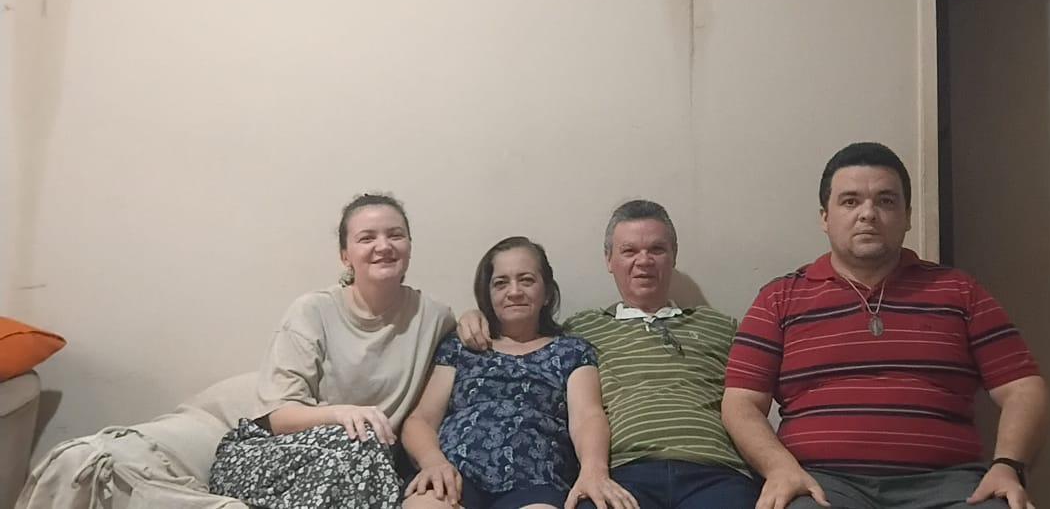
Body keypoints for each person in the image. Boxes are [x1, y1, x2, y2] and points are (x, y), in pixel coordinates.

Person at [722, 142, 1049, 509]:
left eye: (886, 201)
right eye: (850, 201)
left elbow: (1023, 388)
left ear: (907, 216)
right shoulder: (779, 298)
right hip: (821, 485)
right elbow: (740, 402)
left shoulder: (960, 291)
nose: (868, 214)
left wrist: (1008, 466)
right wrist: (780, 468)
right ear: (825, 218)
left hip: (950, 486)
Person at [459, 201, 759, 509]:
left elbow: (751, 404)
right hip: (623, 475)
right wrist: (475, 317)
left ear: (673, 255)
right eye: (629, 251)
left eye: (656, 249)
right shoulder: (580, 330)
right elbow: (526, 333)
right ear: (609, 260)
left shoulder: (720, 326)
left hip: (716, 471)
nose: (644, 261)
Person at [208, 193, 456, 509]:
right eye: (367, 238)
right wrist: (341, 414)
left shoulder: (434, 316)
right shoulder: (312, 311)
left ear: (409, 246)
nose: (383, 246)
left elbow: (477, 338)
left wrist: (477, 318)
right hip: (274, 455)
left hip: (365, 463)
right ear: (345, 256)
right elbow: (278, 416)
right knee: (358, 442)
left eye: (395, 235)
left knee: (364, 451)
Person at [401, 236, 636, 509]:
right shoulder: (461, 346)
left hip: (537, 481)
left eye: (526, 280)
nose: (514, 292)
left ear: (546, 292)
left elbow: (587, 417)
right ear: (488, 295)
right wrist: (433, 462)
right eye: (501, 283)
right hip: (455, 474)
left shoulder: (571, 350)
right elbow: (420, 420)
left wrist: (594, 471)